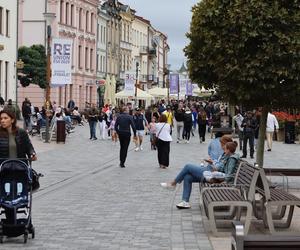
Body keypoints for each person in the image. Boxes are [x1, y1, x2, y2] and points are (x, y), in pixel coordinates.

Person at [160, 139, 239, 209]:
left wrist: (214, 165)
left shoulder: (230, 158)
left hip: (213, 176)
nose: (221, 146)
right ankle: (185, 202)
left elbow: (224, 171)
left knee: (188, 166)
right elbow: (220, 166)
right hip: (211, 171)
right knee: (188, 177)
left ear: (227, 148)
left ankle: (173, 183)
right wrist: (212, 163)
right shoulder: (226, 155)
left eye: (222, 145)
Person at [0, 109, 37, 222]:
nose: (2, 121)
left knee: (20, 191)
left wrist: (32, 154)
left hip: (20, 169)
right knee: (6, 193)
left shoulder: (21, 133)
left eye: (5, 118)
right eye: (1, 119)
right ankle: (10, 221)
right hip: (4, 170)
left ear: (12, 119)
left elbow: (28, 147)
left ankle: (23, 218)